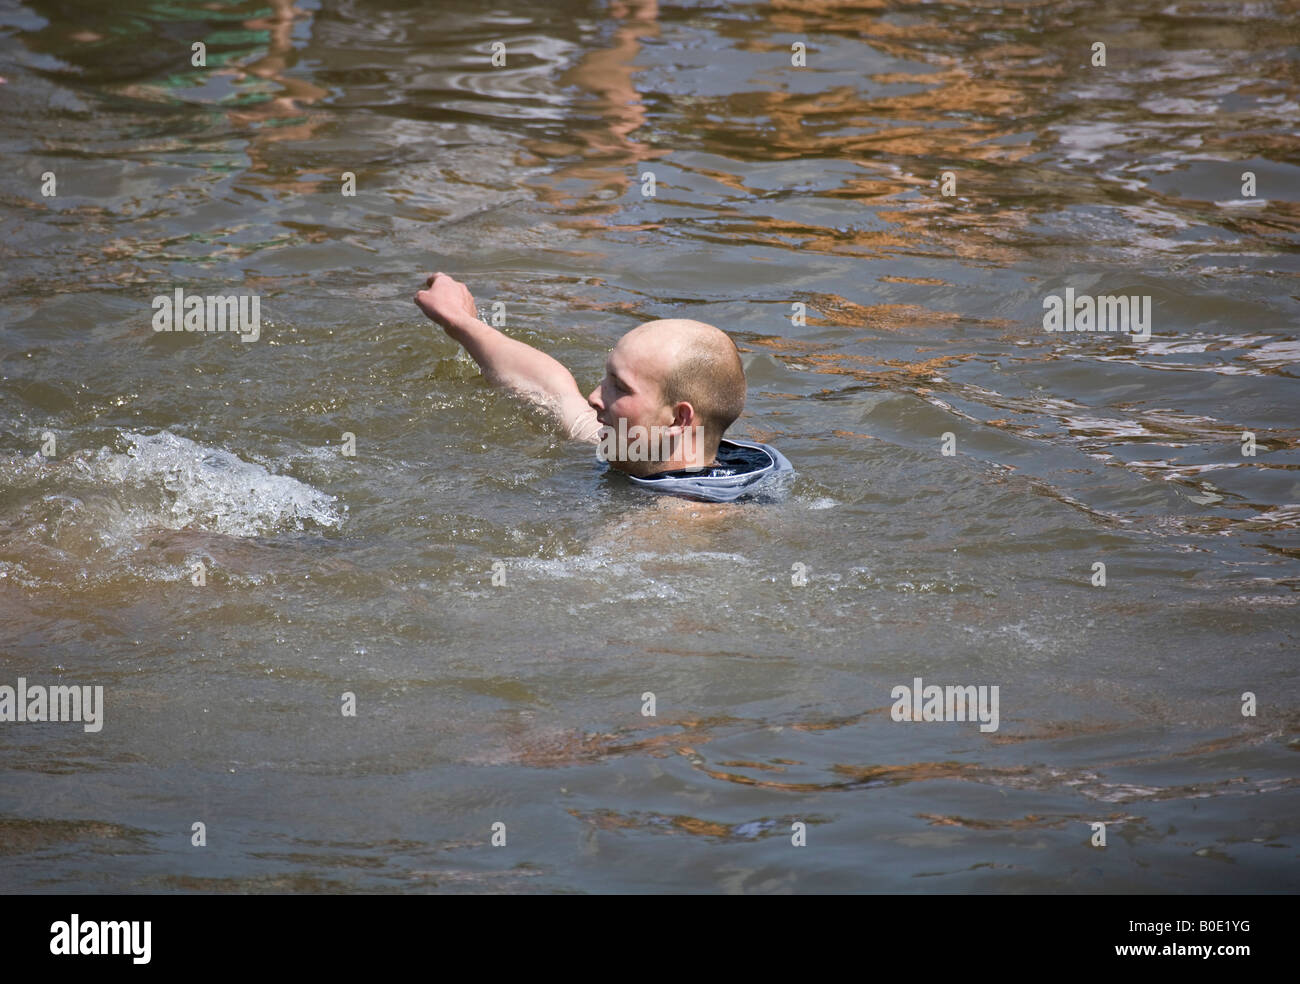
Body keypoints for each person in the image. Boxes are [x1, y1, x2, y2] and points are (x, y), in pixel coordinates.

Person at [414, 273, 792, 502]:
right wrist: (460, 323)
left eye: (619, 388)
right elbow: (555, 393)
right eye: (605, 379)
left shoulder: (682, 519)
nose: (595, 398)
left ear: (679, 419)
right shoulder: (643, 445)